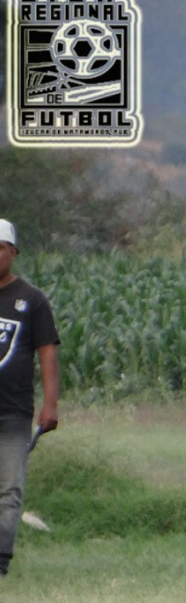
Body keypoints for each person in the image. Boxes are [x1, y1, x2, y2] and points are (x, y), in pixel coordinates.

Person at [0, 219, 60, 579]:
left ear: (13, 252)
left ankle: (0, 560)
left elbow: (47, 351)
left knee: (9, 489)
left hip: (14, 411)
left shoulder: (32, 299)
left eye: (0, 248)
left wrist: (50, 404)